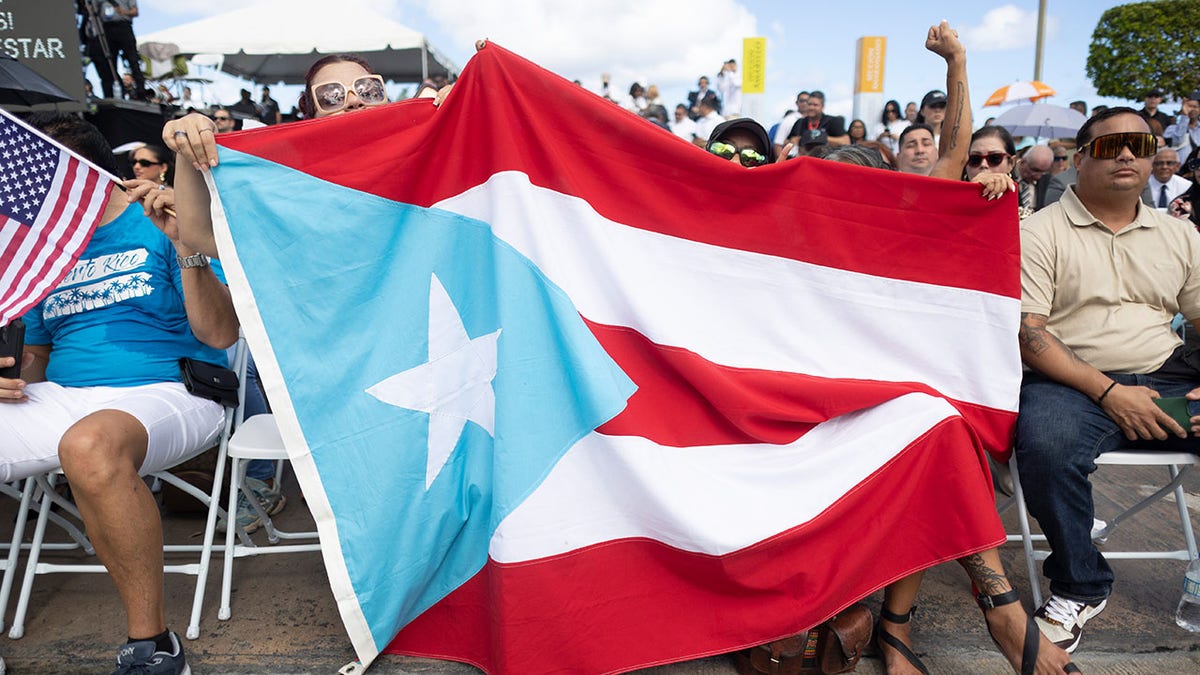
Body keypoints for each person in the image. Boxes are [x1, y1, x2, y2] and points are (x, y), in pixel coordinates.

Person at [0, 113, 238, 675]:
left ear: (80, 173)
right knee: (84, 434)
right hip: (66, 393)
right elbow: (35, 359)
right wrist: (9, 377)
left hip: (171, 387)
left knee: (89, 444)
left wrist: (185, 245)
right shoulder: (45, 251)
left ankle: (152, 643)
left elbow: (221, 334)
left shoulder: (160, 219)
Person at [1015, 107, 1200, 655]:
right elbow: (1030, 336)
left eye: (1140, 146)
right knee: (1045, 445)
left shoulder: (1180, 234)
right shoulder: (1038, 231)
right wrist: (1110, 394)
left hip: (1169, 374)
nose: (1126, 154)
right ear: (1079, 159)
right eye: (1109, 145)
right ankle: (1081, 583)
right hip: (1072, 381)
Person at [83, 0, 145, 100]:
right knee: (109, 64)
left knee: (132, 59)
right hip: (107, 29)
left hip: (123, 25)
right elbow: (93, 10)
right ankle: (110, 94)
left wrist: (123, 12)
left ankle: (141, 91)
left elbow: (135, 11)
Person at [1015, 145, 1054, 213]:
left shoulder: (1047, 181)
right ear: (1022, 162)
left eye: (1043, 172)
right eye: (1035, 170)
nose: (1038, 176)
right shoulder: (1006, 174)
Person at [1165, 91, 1200, 161]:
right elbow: (1177, 141)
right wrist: (1184, 116)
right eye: (1189, 106)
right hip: (1180, 170)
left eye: (1195, 107)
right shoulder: (1171, 129)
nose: (1192, 109)